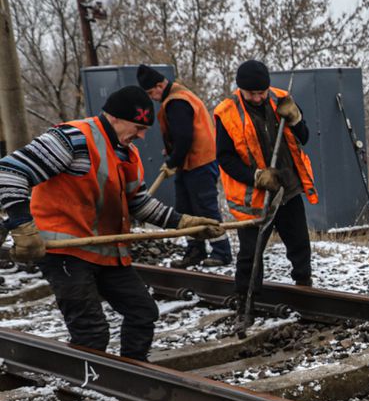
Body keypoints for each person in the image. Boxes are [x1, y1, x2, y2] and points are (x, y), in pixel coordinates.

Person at [0, 86, 223, 360]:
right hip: (64, 252)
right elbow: (9, 172)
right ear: (115, 117)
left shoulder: (128, 154)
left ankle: (129, 376)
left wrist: (184, 222)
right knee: (91, 332)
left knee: (143, 312)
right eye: (139, 127)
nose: (142, 136)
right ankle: (88, 389)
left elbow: (138, 203)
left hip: (106, 252)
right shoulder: (72, 138)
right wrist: (22, 225)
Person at [213, 60, 318, 308]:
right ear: (241, 90)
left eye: (262, 92)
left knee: (299, 243)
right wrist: (257, 176)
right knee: (251, 252)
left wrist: (295, 119)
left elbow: (304, 137)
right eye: (253, 94)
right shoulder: (227, 113)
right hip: (255, 197)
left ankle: (305, 287)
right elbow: (225, 158)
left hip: (288, 188)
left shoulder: (282, 99)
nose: (259, 98)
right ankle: (246, 299)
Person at [137, 64, 232, 269]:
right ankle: (195, 250)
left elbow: (185, 136)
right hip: (191, 162)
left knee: (205, 207)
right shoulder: (178, 95)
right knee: (186, 208)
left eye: (151, 92)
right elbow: (183, 136)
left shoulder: (176, 102)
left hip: (199, 162)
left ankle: (221, 251)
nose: (152, 97)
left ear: (160, 85)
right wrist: (173, 153)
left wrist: (173, 161)